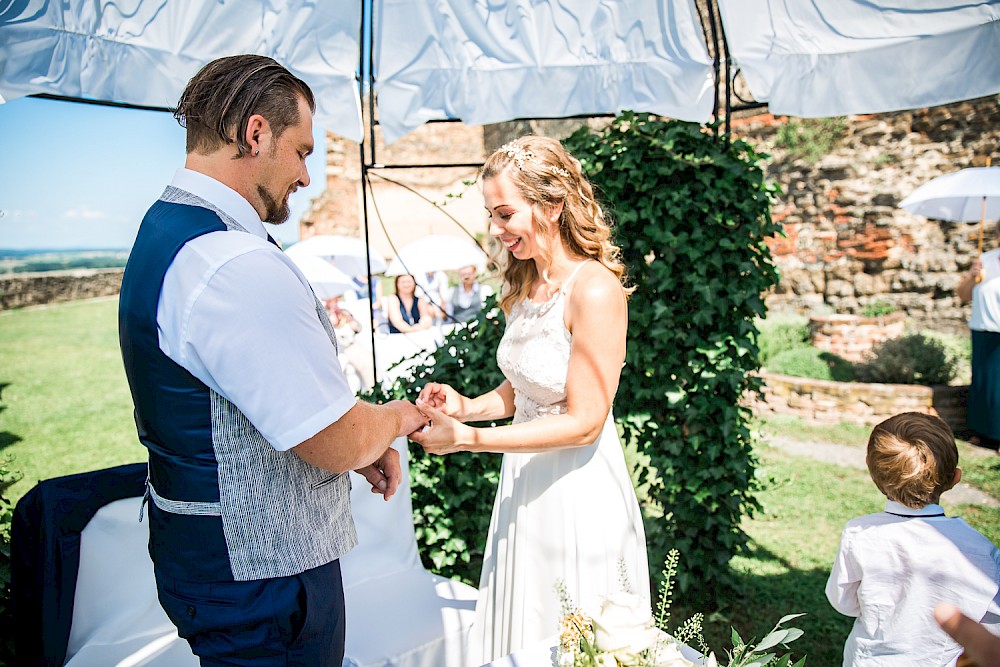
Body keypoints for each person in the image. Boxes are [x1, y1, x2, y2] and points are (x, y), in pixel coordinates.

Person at [118, 55, 426, 666]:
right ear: (256, 134)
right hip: (261, 584)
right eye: (302, 151)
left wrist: (346, 444)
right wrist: (393, 420)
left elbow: (248, 406)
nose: (307, 176)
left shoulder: (167, 228)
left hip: (215, 564)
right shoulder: (232, 262)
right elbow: (332, 440)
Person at [409, 136, 649, 662]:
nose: (495, 230)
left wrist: (470, 439)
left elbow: (585, 421)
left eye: (505, 213)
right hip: (524, 485)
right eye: (491, 215)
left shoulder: (594, 290)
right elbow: (525, 390)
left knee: (573, 635)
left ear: (553, 205)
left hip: (577, 489)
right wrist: (466, 406)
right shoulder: (529, 283)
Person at [825, 412, 1000, 666]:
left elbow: (842, 601)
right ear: (955, 478)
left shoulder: (859, 534)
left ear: (876, 477)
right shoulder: (983, 551)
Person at [956, 229, 1000, 451]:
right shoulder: (985, 260)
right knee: (983, 383)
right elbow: (963, 295)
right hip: (983, 330)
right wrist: (972, 277)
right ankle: (981, 432)